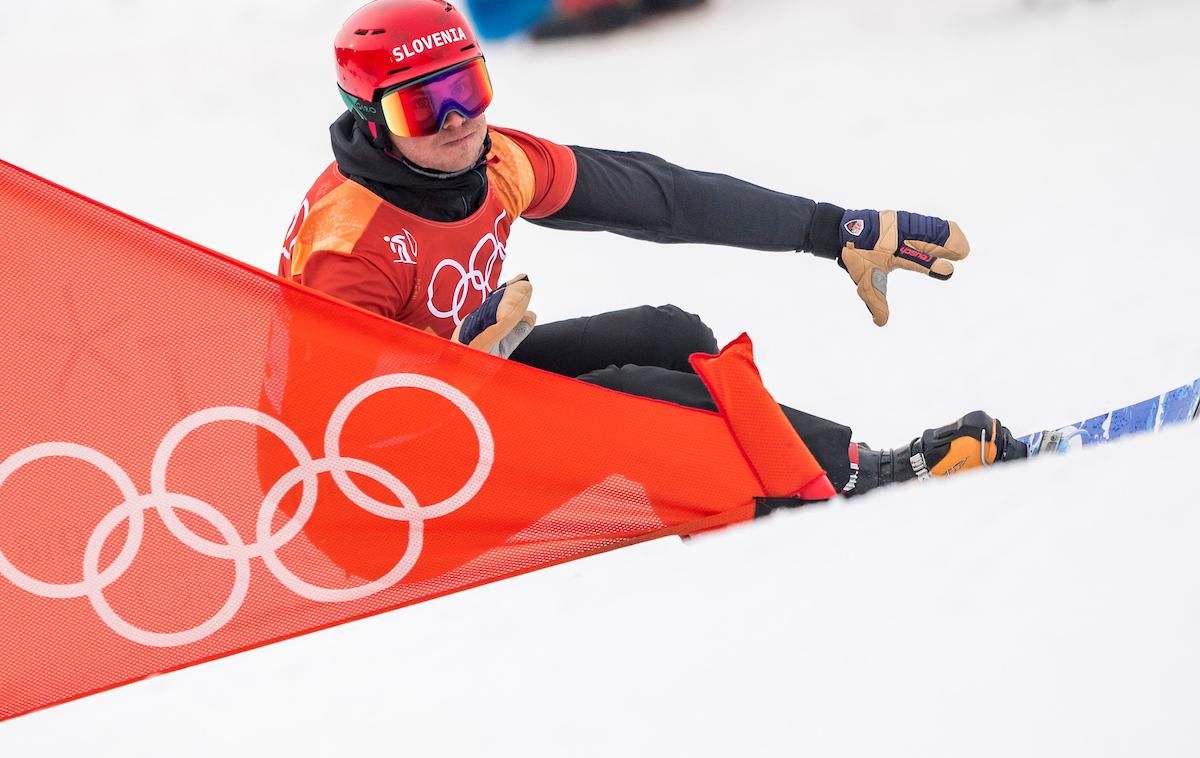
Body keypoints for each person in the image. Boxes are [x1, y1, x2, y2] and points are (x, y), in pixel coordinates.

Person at [279, 0, 1026, 502]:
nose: (456, 122)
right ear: (370, 119)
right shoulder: (348, 248)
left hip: (465, 383)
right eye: (422, 106)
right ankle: (864, 470)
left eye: (469, 89)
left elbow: (659, 197)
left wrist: (832, 229)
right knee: (640, 393)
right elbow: (335, 433)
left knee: (673, 336)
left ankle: (768, 479)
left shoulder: (493, 162)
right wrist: (459, 366)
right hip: (376, 482)